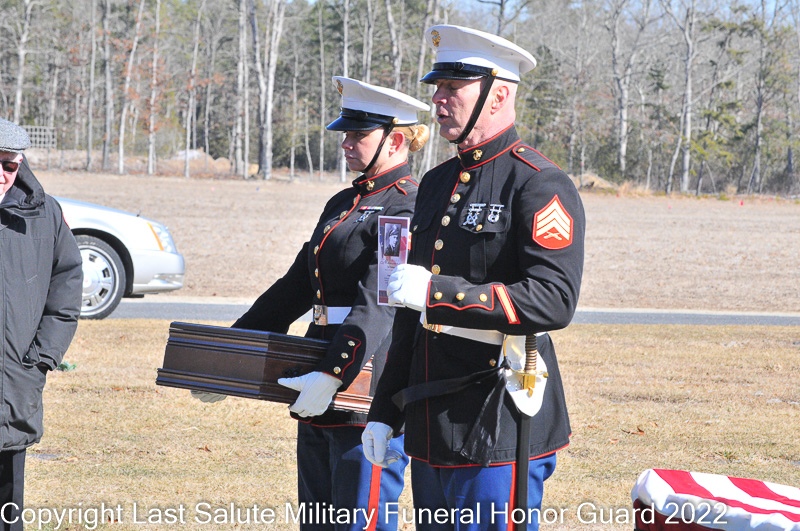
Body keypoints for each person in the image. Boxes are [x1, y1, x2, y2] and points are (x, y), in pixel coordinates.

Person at [361, 25, 585, 530]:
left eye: (452, 88)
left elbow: (553, 299)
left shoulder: (537, 183)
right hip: (431, 416)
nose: (437, 100)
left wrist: (437, 292)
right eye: (437, 88)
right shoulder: (437, 182)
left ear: (498, 95)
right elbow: (409, 315)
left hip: (498, 413)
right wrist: (384, 411)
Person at [193, 78, 430, 531]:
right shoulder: (344, 201)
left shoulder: (406, 205)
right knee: (318, 519)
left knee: (360, 521)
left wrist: (334, 373)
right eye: (346, 133)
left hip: (365, 382)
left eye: (358, 134)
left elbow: (378, 302)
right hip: (315, 371)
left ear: (395, 141)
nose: (345, 143)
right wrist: (233, 355)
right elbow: (295, 288)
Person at [0, 119, 83, 530]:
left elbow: (67, 283)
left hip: (14, 381)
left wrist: (42, 358)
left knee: (7, 505)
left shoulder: (44, 213)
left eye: (9, 165)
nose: (2, 174)